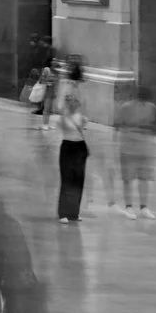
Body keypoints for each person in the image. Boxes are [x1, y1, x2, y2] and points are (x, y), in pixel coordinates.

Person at [55, 94, 91, 222]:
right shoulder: (62, 119)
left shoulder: (82, 118)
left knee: (78, 180)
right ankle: (63, 212)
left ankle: (74, 212)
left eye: (76, 102)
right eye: (71, 102)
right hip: (67, 146)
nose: (74, 104)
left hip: (79, 147)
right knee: (67, 179)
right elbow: (61, 127)